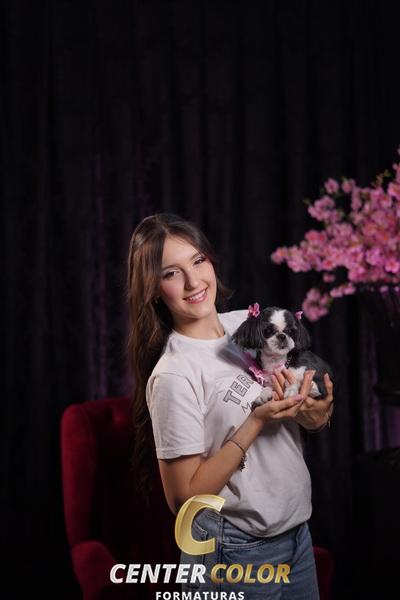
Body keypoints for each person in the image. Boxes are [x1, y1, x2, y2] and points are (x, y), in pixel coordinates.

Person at [127, 213, 334, 599]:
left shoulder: (250, 327)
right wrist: (255, 421)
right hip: (233, 548)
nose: (193, 282)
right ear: (153, 288)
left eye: (197, 261)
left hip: (296, 534)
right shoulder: (174, 374)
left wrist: (315, 411)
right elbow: (185, 500)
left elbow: (314, 415)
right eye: (171, 273)